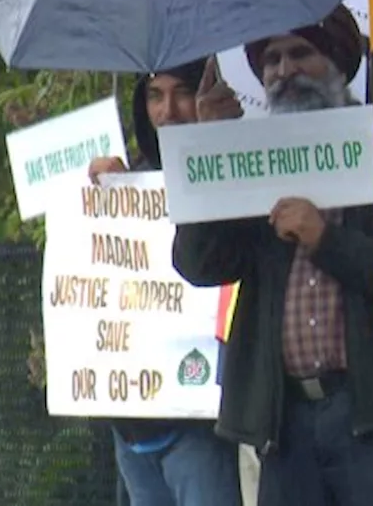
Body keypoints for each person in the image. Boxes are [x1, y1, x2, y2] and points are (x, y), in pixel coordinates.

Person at [171, 4, 373, 506]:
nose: (284, 71)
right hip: (288, 424)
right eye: (271, 60)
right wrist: (208, 147)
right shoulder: (253, 162)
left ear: (340, 61)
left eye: (301, 52)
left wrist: (327, 239)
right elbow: (201, 264)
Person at [87, 59, 244, 506]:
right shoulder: (133, 181)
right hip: (133, 430)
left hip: (202, 427)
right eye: (155, 95)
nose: (168, 110)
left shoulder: (235, 177)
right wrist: (108, 195)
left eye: (181, 93)